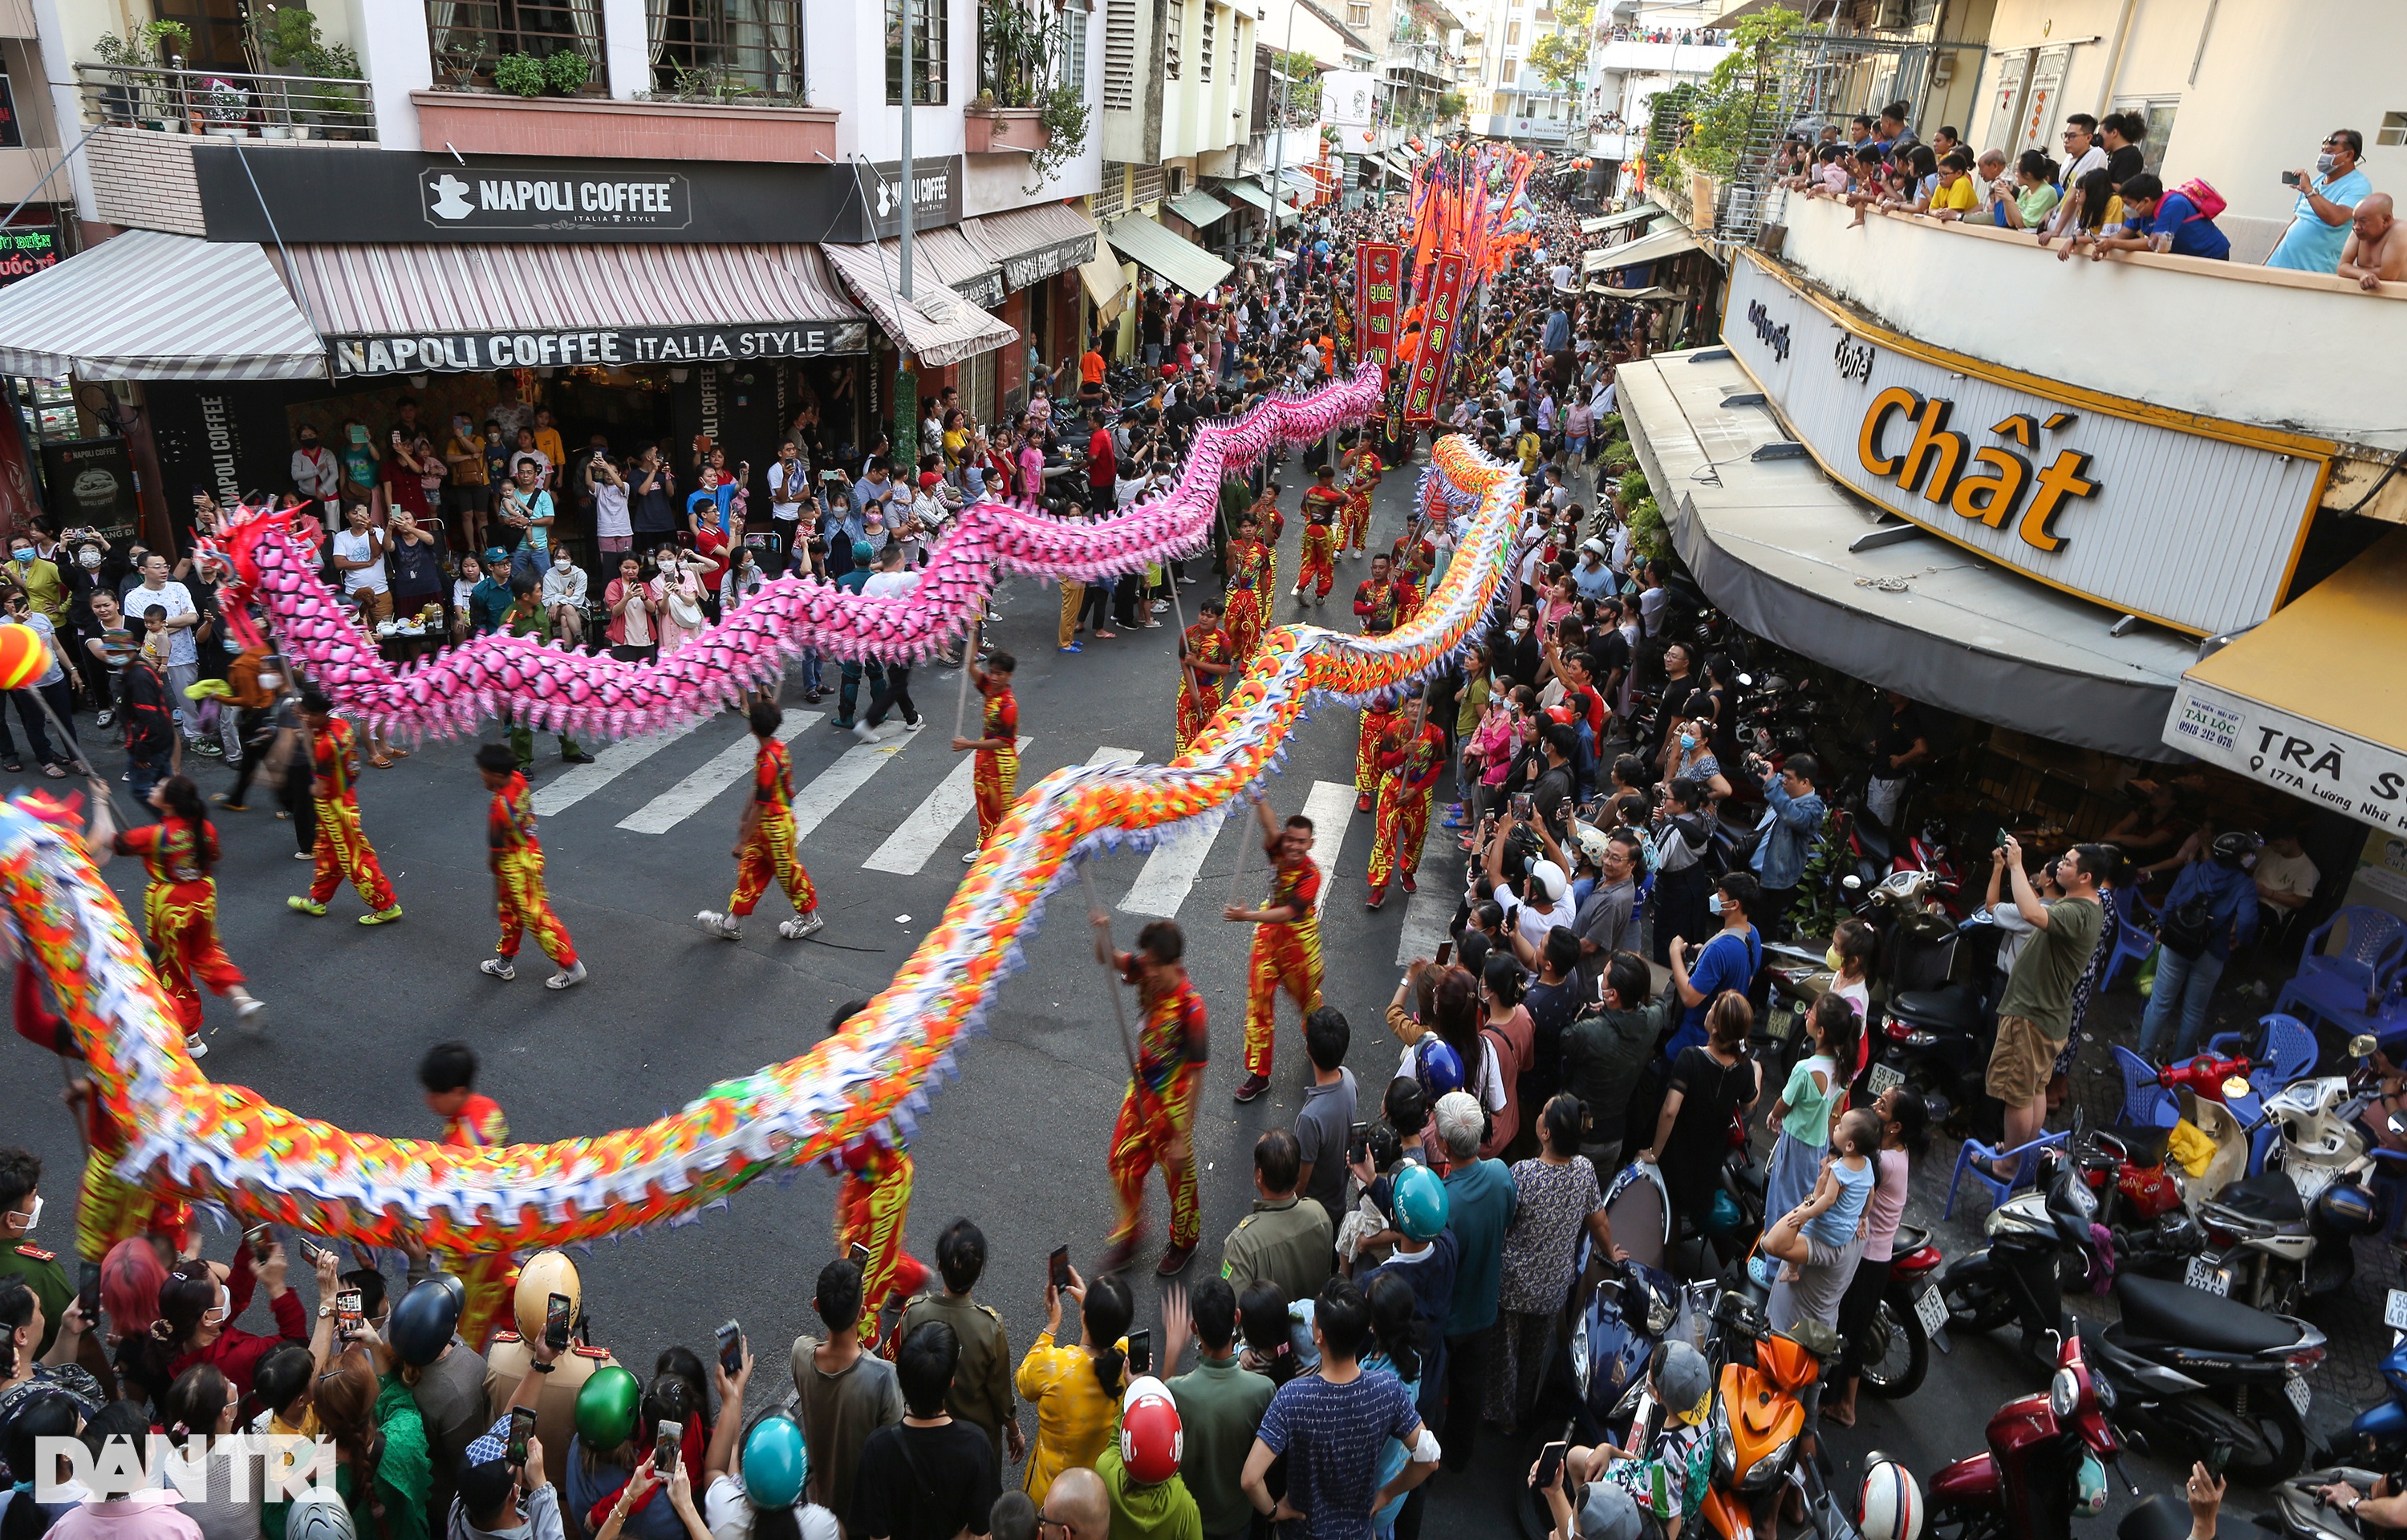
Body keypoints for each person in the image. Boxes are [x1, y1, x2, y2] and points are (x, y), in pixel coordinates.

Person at [1240, 1279, 1437, 1540]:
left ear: (1319, 1336)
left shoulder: (1292, 1397)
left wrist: (1273, 1511)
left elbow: (1250, 1479)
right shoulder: (1389, 1389)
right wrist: (1387, 1493)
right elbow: (1429, 1458)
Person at [111, 776, 262, 1056]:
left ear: (168, 803)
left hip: (170, 908)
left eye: (158, 787)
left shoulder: (153, 835)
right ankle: (241, 999)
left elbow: (113, 843)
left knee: (173, 968)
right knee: (207, 951)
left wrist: (99, 801)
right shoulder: (205, 828)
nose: (153, 788)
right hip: (203, 899)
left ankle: (191, 1037)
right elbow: (212, 857)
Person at [1093, 918, 1210, 1278]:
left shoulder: (1193, 1010)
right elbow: (1106, 957)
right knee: (1121, 1161)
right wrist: (1102, 932)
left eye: (1157, 965)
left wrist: (1180, 1135)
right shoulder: (1145, 968)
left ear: (1173, 963)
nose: (1150, 971)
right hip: (1142, 1090)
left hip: (1173, 1105)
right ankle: (1131, 1231)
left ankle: (1184, 1242)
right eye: (1148, 962)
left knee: (1179, 1181)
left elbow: (1196, 1074)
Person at [1984, 838, 2110, 1165]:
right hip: (2050, 1015)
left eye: (2068, 863)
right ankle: (2020, 1154)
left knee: (2017, 1095)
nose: (2060, 866)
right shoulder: (2090, 905)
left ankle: (2009, 1165)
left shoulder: (2074, 911)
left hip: (2032, 1013)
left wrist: (2014, 865)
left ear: (2085, 877)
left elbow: (2031, 912)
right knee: (2036, 1088)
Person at [1488, 1096, 1610, 1433]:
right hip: (1553, 1285)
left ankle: (1503, 1418)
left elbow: (1503, 1224)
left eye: (1542, 1112)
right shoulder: (1585, 1171)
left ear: (1545, 1133)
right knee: (1535, 1353)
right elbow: (1599, 1222)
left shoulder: (1523, 1174)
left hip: (1513, 1285)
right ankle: (1526, 1411)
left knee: (1506, 1352)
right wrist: (1612, 1255)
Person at [1824, 1085, 1928, 1429]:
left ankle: (1841, 1405)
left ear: (1895, 1126)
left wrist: (1837, 1120)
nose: (1874, 1105)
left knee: (1846, 1331)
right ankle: (1846, 1403)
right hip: (1877, 1255)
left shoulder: (1882, 1163)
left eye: (1882, 1105)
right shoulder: (1896, 1150)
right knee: (1853, 1329)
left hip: (1866, 1260)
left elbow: (1842, 1162)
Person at [1533, 1342, 1714, 1540]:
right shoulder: (1703, 1418)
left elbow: (1673, 1515)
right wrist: (1610, 1450)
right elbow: (1655, 1473)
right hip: (1656, 1486)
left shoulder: (1668, 1453)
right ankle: (1582, 1522)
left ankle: (1581, 1528)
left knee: (1560, 1532)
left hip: (1644, 1510)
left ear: (1659, 1395)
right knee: (1575, 1458)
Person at [853, 1323, 1001, 1540]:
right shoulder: (975, 1444)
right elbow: (981, 1532)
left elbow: (876, 1534)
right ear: (951, 1381)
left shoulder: (877, 1448)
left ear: (902, 1379)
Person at [1641, 993, 1761, 1258]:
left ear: (1715, 1026)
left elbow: (1670, 1111)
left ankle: (1664, 1266)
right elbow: (1750, 1104)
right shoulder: (1743, 1069)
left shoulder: (1690, 1059)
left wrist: (1654, 1152)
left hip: (1677, 1154)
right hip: (1710, 1158)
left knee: (1668, 1214)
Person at [897, 1221, 1023, 1470]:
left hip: (923, 1430)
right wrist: (1013, 1430)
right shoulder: (989, 1327)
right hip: (977, 1436)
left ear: (939, 1265)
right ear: (978, 1273)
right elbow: (1000, 1392)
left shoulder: (913, 1313)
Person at [1223, 800, 1324, 1104]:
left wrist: (1247, 916)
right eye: (1290, 839)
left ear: (1310, 844)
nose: (1293, 846)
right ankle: (1259, 1074)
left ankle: (1316, 1035)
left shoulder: (1312, 876)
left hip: (1300, 941)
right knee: (1258, 1004)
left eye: (1301, 842)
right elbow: (1269, 824)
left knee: (1307, 999)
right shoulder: (1278, 848)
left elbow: (1287, 913)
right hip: (1268, 939)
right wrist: (1260, 795)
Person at [696, 700, 823, 942]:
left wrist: (743, 839)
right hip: (766, 825)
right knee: (751, 869)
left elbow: (762, 801)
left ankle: (811, 918)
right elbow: (758, 793)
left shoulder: (767, 761)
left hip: (776, 827)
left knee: (786, 873)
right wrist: (745, 820)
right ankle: (732, 923)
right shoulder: (777, 750)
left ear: (752, 729)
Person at [788, 1259, 903, 1525]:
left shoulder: (800, 1354)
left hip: (816, 1503)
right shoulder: (883, 1376)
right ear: (862, 1313)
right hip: (859, 1514)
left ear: (816, 1305)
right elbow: (894, 1447)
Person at [1159, 1279, 1273, 1540]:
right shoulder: (1263, 1390)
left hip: (1190, 1520)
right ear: (1237, 1318)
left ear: (1193, 1327)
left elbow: (1162, 1414)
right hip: (1239, 1521)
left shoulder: (1179, 1391)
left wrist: (1172, 1351)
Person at [2137, 831, 2260, 1064]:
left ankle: (2143, 1058)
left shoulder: (2192, 870)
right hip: (2211, 953)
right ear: (2239, 858)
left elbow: (2172, 900)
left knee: (2160, 1003)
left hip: (2175, 944)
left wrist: (2162, 925)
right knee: (2193, 1012)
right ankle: (2177, 1065)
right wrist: (2239, 940)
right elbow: (2248, 921)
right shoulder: (2245, 885)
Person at [470, 743, 586, 991]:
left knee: (536, 915)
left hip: (516, 867)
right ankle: (504, 963)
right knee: (510, 913)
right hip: (529, 851)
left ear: (497, 775)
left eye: (483, 771)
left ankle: (571, 966)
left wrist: (494, 866)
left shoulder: (499, 808)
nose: (480, 775)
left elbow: (495, 849)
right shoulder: (518, 779)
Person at [286, 687, 403, 926]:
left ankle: (387, 905)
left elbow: (320, 785)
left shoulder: (326, 744)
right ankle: (317, 901)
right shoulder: (340, 727)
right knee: (328, 855)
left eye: (310, 714)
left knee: (355, 859)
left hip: (336, 809)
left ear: (321, 713)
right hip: (341, 801)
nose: (306, 718)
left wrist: (313, 787)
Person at [1759, 1107, 1881, 1335]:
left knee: (1805, 1225)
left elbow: (1772, 1244)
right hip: (1808, 1325)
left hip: (1793, 1334)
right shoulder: (1859, 1223)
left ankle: (1791, 1270)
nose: (1823, 1163)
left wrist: (1811, 1201)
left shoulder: (1830, 1244)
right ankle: (1791, 1270)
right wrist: (1864, 1216)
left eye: (1830, 1159)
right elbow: (1870, 1194)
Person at [1017, 1267, 1131, 1506]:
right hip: (1095, 1496)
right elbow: (1113, 1335)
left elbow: (1024, 1381)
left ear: (1085, 1316)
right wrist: (1091, 1309)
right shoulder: (1127, 1364)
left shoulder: (1056, 1368)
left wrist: (1052, 1324)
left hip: (1049, 1497)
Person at [1562, 953, 1675, 1175]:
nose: (1601, 979)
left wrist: (1586, 1017)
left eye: (1604, 976)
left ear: (1612, 994)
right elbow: (1661, 1004)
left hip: (1582, 1136)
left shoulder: (1589, 1032)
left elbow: (1566, 1040)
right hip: (1616, 1135)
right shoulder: (1651, 1021)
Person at [1664, 873, 1762, 1060]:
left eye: (1720, 894)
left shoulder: (1720, 950)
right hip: (1723, 1036)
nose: (1715, 898)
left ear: (1734, 905)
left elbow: (1690, 997)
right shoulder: (1752, 934)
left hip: (1696, 1036)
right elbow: (1748, 977)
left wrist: (1674, 953)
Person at [1365, 694, 1447, 910]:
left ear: (1429, 710)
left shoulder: (1437, 734)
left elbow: (1437, 766)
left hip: (1419, 792)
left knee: (1416, 837)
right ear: (1405, 707)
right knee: (1384, 838)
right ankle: (1379, 888)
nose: (1415, 710)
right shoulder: (1393, 729)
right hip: (1392, 787)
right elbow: (1383, 762)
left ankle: (1408, 871)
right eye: (1412, 705)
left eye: (1420, 706)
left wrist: (1415, 790)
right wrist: (1403, 752)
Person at [2267, 129, 2371, 274]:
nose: (2323, 156)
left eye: (2329, 152)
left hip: (2314, 272)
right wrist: (2268, 260)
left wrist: (2309, 191)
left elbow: (2337, 218)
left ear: (2348, 155)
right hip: (2279, 265)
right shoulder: (2316, 182)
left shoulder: (2359, 185)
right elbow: (2296, 222)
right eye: (2322, 151)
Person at [951, 652, 1019, 860]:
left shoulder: (1009, 707)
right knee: (984, 801)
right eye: (992, 672)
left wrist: (969, 744)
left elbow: (1003, 741)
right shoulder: (990, 688)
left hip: (1001, 762)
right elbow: (971, 667)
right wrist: (973, 626)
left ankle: (1018, 840)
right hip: (985, 758)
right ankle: (987, 843)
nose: (994, 677)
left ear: (1009, 676)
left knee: (1001, 805)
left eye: (999, 674)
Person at [853, 543, 923, 742]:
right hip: (903, 639)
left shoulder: (871, 582)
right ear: (900, 561)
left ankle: (911, 717)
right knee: (898, 682)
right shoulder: (907, 578)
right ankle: (868, 722)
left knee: (897, 680)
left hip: (881, 640)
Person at [1748, 753, 1825, 938]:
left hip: (1775, 882)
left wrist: (1773, 783)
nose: (1783, 780)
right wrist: (1755, 766)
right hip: (1752, 871)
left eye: (1789, 778)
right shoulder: (1783, 787)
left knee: (1762, 933)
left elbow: (1793, 817)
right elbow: (1761, 781)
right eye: (1783, 775)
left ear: (1805, 783)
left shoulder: (1814, 808)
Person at [1292, 1008, 1357, 1222]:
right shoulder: (1348, 1079)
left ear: (1308, 1049)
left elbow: (1301, 1182)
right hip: (1338, 1201)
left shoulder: (1310, 1118)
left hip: (1315, 1215)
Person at [2081, 172, 2231, 261]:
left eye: (2128, 203)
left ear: (2146, 201)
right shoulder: (2140, 212)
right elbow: (2121, 235)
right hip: (2185, 255)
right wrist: (2103, 246)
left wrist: (2112, 244)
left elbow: (2152, 244)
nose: (2127, 208)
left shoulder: (2174, 205)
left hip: (2211, 255)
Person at [1174, 598, 1233, 756]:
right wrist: (1193, 693)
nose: (1204, 618)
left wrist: (1197, 663)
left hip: (1212, 691)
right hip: (1188, 688)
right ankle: (1183, 766)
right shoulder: (1188, 635)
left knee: (1208, 732)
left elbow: (1224, 670)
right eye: (1203, 614)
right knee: (1184, 730)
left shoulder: (1223, 641)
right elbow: (1185, 664)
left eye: (1210, 616)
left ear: (1218, 620)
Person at [2338, 193, 2407, 290]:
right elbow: (2342, 267)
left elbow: (2388, 275)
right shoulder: (2359, 231)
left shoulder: (2400, 231)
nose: (2356, 227)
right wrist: (2362, 274)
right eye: (2355, 220)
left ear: (2386, 220)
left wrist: (2353, 271)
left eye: (2363, 221)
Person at [1294, 465, 1342, 604]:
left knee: (1308, 560)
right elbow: (1348, 499)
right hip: (1323, 531)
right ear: (1328, 479)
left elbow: (1303, 511)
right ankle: (1321, 594)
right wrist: (1333, 487)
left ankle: (1302, 586)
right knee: (1324, 563)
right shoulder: (1331, 496)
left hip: (1309, 529)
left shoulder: (1309, 492)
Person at [541, 548, 587, 650]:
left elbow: (577, 598)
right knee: (567, 609)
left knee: (565, 618)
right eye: (558, 558)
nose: (561, 561)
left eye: (565, 558)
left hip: (578, 609)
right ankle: (583, 644)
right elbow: (546, 599)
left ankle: (568, 650)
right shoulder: (549, 575)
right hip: (554, 611)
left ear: (571, 560)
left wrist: (558, 602)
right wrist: (566, 595)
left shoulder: (580, 574)